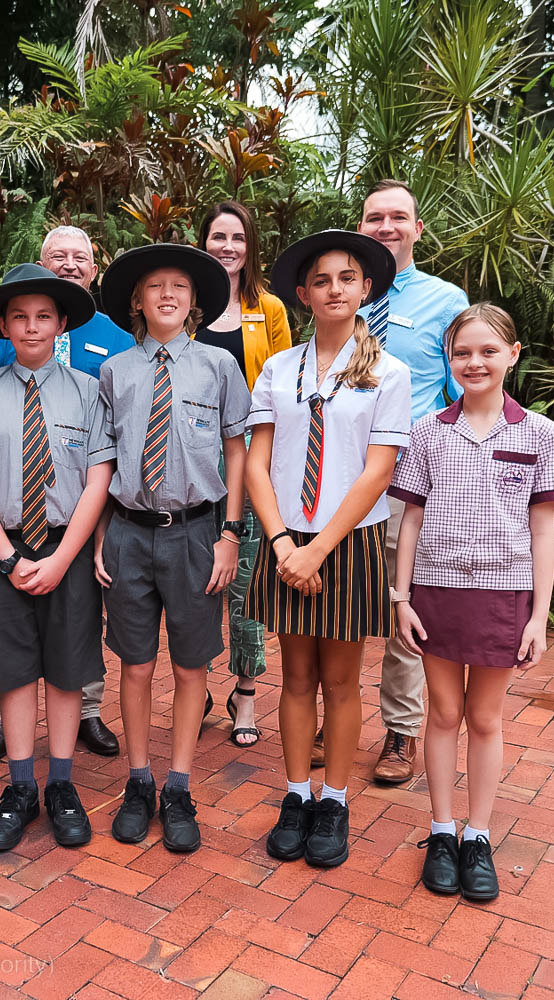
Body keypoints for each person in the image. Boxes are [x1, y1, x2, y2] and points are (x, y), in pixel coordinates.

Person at [390, 304, 554, 901]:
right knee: (441, 714)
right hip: (436, 593)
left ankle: (478, 836)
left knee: (486, 718)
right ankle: (441, 831)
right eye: (462, 352)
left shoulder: (541, 433)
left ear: (513, 356)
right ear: (449, 360)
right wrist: (402, 596)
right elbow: (411, 519)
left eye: (488, 351)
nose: (475, 362)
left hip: (504, 596)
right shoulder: (428, 432)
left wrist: (539, 616)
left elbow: (543, 530)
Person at [243, 231, 411, 868]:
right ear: (303, 293)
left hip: (348, 541)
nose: (335, 289)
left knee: (340, 682)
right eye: (321, 280)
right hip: (287, 539)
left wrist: (319, 550)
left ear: (366, 288)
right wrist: (285, 541)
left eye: (347, 278)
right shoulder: (280, 368)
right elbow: (258, 463)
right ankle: (295, 794)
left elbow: (377, 471)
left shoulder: (388, 373)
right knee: (294, 677)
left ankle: (334, 799)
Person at [0, 264, 116, 851]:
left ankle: (62, 783)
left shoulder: (88, 392)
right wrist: (6, 558)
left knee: (69, 669)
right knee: (16, 672)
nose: (31, 326)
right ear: (3, 324)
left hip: (66, 548)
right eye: (19, 316)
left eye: (43, 315)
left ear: (62, 322)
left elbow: (99, 477)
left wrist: (62, 558)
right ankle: (20, 785)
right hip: (8, 549)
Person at [94, 244, 249, 854]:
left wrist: (230, 534)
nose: (166, 294)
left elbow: (236, 451)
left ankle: (179, 784)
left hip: (195, 532)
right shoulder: (115, 371)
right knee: (135, 663)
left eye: (178, 286)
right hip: (130, 530)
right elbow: (102, 459)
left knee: (190, 665)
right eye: (154, 286)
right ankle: (139, 780)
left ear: (194, 301)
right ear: (137, 300)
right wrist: (103, 534)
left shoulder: (218, 366)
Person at [0, 225, 134, 762]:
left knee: (74, 651)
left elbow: (107, 465)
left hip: (78, 514)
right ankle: (11, 743)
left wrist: (80, 549)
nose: (69, 263)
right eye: (57, 255)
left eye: (80, 256)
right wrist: (5, 555)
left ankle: (83, 724)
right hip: (10, 525)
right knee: (13, 655)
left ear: (94, 267)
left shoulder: (113, 341)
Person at [345, 179, 470, 784]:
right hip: (340, 478)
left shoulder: (448, 301)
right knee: (339, 598)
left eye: (398, 218)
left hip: (410, 482)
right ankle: (334, 716)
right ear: (360, 227)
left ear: (418, 229)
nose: (386, 227)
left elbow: (462, 393)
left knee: (405, 606)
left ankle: (399, 731)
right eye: (375, 218)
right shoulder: (340, 294)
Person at [196, 201, 292, 748]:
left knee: (247, 580)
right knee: (194, 579)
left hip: (252, 460)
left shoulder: (269, 308)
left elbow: (282, 388)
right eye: (217, 236)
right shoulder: (187, 306)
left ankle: (246, 693)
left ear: (250, 246)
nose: (227, 246)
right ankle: (199, 682)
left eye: (237, 237)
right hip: (188, 463)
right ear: (202, 242)